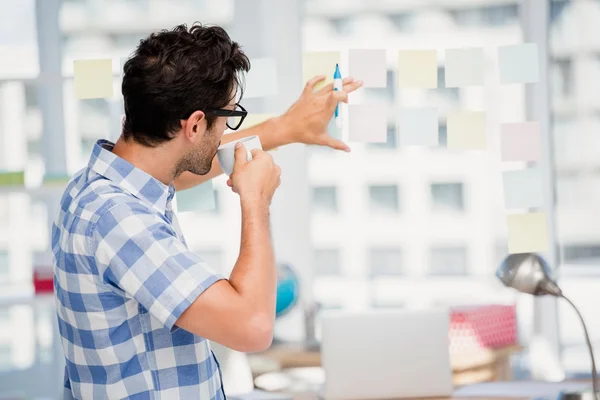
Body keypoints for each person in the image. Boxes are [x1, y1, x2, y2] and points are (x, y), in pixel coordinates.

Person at [52, 23, 361, 399]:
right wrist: (255, 201)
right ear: (196, 123)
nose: (226, 130)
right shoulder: (119, 218)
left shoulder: (99, 184)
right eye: (228, 117)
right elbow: (253, 326)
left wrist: (285, 128)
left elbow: (178, 172)